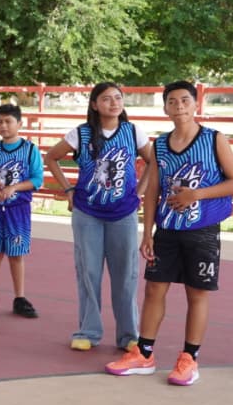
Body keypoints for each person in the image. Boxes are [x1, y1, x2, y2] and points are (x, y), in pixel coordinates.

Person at [105, 82, 233, 385]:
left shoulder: (213, 139)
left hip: (202, 230)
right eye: (172, 101)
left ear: (195, 105)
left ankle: (189, 358)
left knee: (197, 293)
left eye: (184, 100)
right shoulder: (161, 144)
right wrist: (148, 232)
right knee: (154, 289)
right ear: (165, 107)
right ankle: (144, 353)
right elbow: (153, 189)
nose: (179, 105)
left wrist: (197, 194)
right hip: (167, 229)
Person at [44, 82, 153, 351]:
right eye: (106, 99)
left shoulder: (133, 132)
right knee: (88, 272)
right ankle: (88, 331)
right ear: (94, 104)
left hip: (123, 213)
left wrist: (139, 190)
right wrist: (68, 189)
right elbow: (51, 157)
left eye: (118, 98)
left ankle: (129, 335)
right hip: (87, 212)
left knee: (125, 274)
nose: (114, 103)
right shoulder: (80, 134)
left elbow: (154, 161)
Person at [0, 104, 44, 320]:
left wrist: (15, 187)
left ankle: (19, 297)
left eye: (8, 121)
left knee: (16, 254)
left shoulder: (31, 150)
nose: (3, 125)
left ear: (19, 124)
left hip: (18, 210)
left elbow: (37, 179)